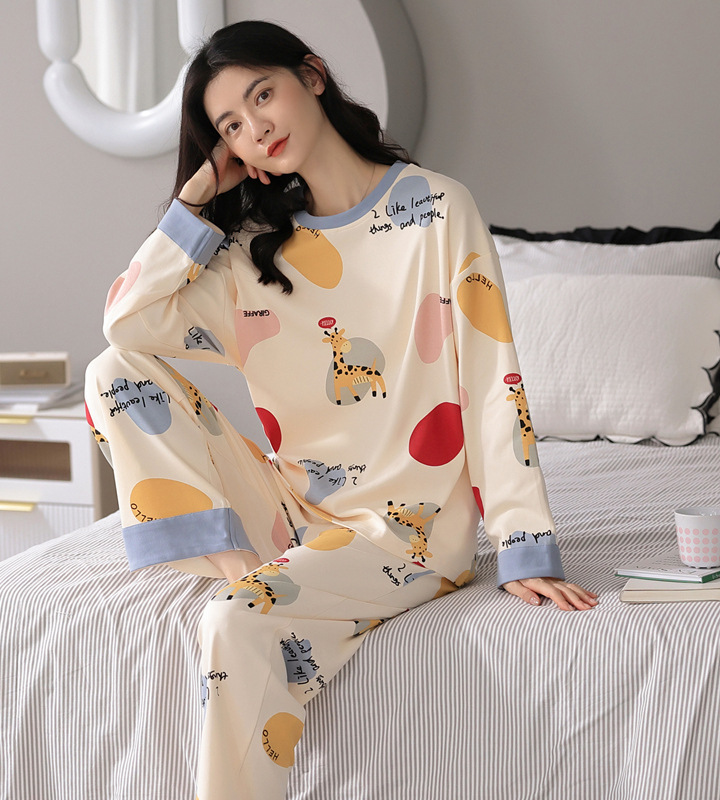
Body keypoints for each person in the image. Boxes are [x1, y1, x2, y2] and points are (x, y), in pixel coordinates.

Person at [84, 19, 598, 800]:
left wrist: (526, 548)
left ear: (313, 75)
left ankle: (255, 599)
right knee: (112, 373)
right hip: (292, 510)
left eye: (263, 95)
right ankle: (246, 573)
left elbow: (492, 382)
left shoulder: (435, 209)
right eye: (231, 126)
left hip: (407, 532)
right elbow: (126, 324)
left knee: (232, 624)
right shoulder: (253, 251)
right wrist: (195, 199)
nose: (256, 129)